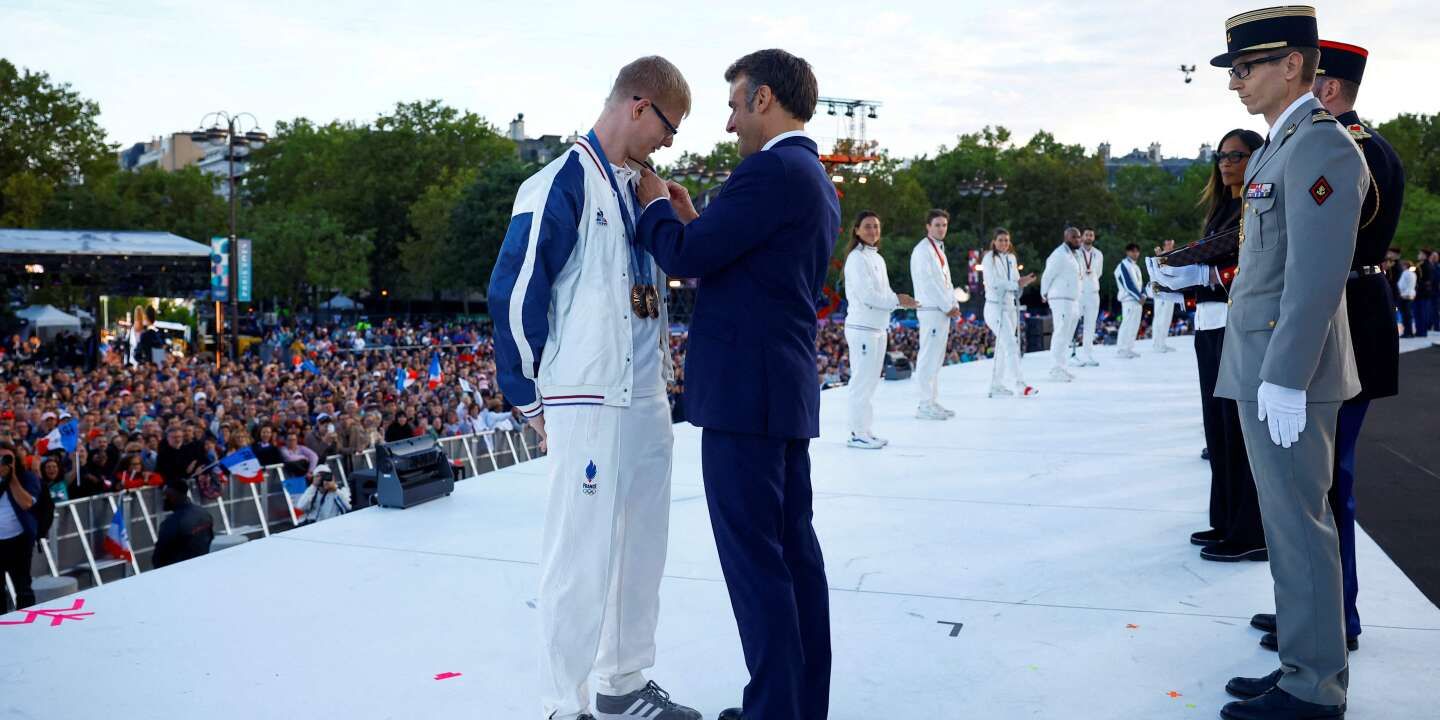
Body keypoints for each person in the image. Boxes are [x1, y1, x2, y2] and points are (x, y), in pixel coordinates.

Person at [487, 56, 700, 720]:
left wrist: (681, 218)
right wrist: (525, 394)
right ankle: (562, 702)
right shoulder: (560, 182)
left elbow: (678, 273)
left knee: (643, 545)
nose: (672, 141)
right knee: (579, 552)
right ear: (639, 106)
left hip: (643, 391)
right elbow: (515, 290)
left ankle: (622, 682)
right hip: (585, 393)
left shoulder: (638, 190)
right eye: (671, 126)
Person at [634, 48, 836, 720]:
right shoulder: (810, 176)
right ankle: (797, 707)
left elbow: (685, 258)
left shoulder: (767, 172)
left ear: (763, 100)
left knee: (758, 568)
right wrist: (695, 219)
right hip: (778, 391)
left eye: (732, 104)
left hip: (746, 397)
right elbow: (735, 264)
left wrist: (658, 207)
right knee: (792, 560)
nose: (726, 124)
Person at [1207, 8, 1367, 718]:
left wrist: (1285, 373)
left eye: (1246, 67)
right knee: (1286, 527)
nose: (1236, 80)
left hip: (1286, 371)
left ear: (1294, 66)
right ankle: (1301, 662)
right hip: (1264, 364)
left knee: (1302, 529)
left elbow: (1315, 275)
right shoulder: (1283, 146)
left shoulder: (1321, 148)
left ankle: (1314, 688)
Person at [1244, 38, 1409, 657]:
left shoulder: (1343, 148)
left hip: (1343, 317)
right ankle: (1319, 613)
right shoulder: (1371, 145)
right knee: (1320, 483)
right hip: (1358, 311)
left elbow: (1320, 258)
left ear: (1327, 87)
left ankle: (1333, 620)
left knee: (1322, 484)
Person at [1156, 128, 1270, 564]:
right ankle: (1225, 521)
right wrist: (1174, 280)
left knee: (1237, 430)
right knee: (1217, 429)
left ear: (1255, 158)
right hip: (1211, 323)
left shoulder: (1255, 205)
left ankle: (1250, 531)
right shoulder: (1224, 207)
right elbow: (1210, 255)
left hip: (1238, 325)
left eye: (1236, 155)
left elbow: (1226, 253)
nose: (1225, 162)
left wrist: (1179, 263)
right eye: (1221, 156)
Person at [843, 211, 918, 448]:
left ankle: (865, 429)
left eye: (876, 226)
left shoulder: (877, 258)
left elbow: (882, 294)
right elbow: (868, 296)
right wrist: (898, 300)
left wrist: (897, 300)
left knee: (872, 381)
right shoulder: (856, 259)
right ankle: (857, 433)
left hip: (878, 327)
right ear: (856, 230)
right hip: (862, 327)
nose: (873, 231)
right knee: (861, 380)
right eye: (867, 227)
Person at [910, 209, 960, 418]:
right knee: (929, 356)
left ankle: (932, 400)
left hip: (940, 309)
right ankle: (924, 403)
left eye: (944, 225)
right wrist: (947, 305)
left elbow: (945, 281)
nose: (941, 228)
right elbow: (929, 282)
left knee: (937, 357)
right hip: (932, 308)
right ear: (928, 227)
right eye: (937, 225)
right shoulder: (923, 250)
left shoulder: (937, 249)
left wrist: (953, 302)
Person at [982, 228, 1038, 397]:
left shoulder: (1011, 259)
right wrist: (1015, 284)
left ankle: (996, 385)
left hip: (1010, 306)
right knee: (1011, 344)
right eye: (1000, 240)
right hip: (994, 307)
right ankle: (1021, 385)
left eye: (1006, 240)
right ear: (994, 241)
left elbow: (1015, 281)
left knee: (1002, 347)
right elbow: (993, 283)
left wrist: (1022, 283)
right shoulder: (988, 259)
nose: (1004, 243)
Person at [1, 441, 41, 614]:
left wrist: (11, 478)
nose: (2, 462)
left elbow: (26, 503)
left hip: (19, 540)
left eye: (6, 458)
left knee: (23, 587)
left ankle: (27, 624)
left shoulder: (27, 477)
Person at [1040, 227, 1083, 382]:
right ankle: (1055, 369)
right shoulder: (1058, 255)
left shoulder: (1076, 254)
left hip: (1073, 299)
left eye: (1078, 237)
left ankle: (1063, 367)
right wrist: (1043, 292)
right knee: (1060, 333)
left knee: (1068, 335)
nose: (1077, 240)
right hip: (1060, 298)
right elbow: (1047, 274)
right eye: (1074, 237)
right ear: (1066, 237)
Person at [151, 478, 213, 568]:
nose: (164, 498)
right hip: (203, 565)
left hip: (180, 571)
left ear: (173, 495)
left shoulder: (171, 523)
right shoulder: (204, 513)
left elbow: (158, 559)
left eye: (166, 495)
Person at [1075, 227, 1104, 367]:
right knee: (1073, 323)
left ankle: (1088, 354)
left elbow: (1098, 273)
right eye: (1086, 235)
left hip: (1093, 292)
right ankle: (1071, 354)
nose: (1089, 237)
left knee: (1090, 325)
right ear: (1082, 237)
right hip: (1079, 293)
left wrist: (1090, 280)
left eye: (1091, 235)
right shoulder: (1075, 252)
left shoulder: (1098, 254)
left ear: (1093, 237)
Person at [1113, 243, 1146, 358]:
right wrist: (1139, 297)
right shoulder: (1123, 265)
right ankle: (1121, 349)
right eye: (1132, 251)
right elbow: (1128, 284)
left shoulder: (1136, 267)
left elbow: (1139, 284)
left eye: (1137, 251)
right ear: (1127, 252)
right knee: (1127, 324)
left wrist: (1144, 295)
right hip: (1128, 300)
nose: (1135, 253)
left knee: (1134, 325)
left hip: (1137, 301)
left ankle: (1129, 348)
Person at [1150, 239, 1181, 353]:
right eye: (1168, 244)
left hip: (1170, 291)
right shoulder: (1159, 257)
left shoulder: (1173, 256)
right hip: (1161, 290)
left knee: (1167, 318)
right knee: (1160, 317)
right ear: (1164, 245)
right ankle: (1156, 344)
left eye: (1171, 245)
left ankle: (1162, 343)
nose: (1170, 246)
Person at [1413, 249, 1434, 337]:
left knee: (1422, 313)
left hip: (1423, 294)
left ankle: (1422, 331)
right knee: (1418, 313)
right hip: (1419, 293)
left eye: (1420, 254)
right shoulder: (1419, 265)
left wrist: (1417, 285)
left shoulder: (1427, 266)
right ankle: (1419, 331)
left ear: (1425, 256)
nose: (1418, 255)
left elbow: (1427, 281)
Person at [1397, 261, 1417, 336]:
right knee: (1409, 315)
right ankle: (1410, 332)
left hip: (1404, 296)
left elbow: (1400, 285)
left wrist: (1400, 291)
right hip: (1411, 295)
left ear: (1405, 266)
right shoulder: (1413, 274)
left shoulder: (1405, 273)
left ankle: (1406, 332)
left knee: (1405, 316)